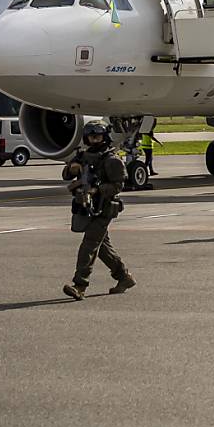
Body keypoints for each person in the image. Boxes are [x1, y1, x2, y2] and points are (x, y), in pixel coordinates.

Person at [62, 121, 135, 300]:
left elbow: (118, 185)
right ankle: (123, 277)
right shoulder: (82, 156)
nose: (95, 139)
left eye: (98, 135)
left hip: (104, 207)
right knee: (101, 247)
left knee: (89, 245)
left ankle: (80, 285)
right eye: (91, 136)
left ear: (105, 136)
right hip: (86, 206)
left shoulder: (112, 159)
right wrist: (72, 169)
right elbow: (66, 174)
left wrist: (98, 189)